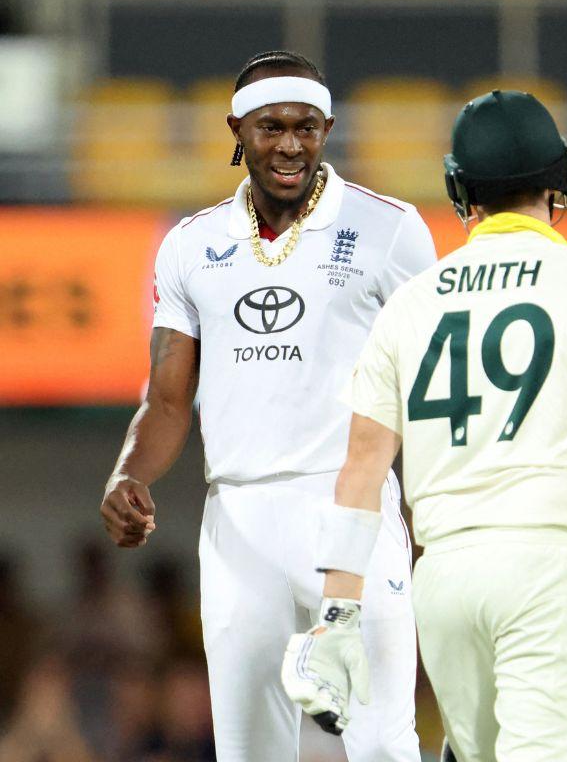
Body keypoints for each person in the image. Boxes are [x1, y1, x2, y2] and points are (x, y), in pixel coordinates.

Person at [280, 89, 567, 762]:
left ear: (460, 189)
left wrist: (337, 614)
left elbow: (360, 472)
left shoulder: (409, 305)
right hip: (556, 564)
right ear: (560, 179)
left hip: (445, 577)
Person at [98, 50, 437, 761]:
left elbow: (430, 381)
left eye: (307, 128)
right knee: (248, 749)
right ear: (237, 130)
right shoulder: (190, 244)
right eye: (271, 127)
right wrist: (130, 474)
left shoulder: (391, 228)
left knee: (382, 743)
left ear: (327, 130)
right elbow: (168, 399)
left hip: (350, 508)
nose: (290, 145)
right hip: (237, 520)